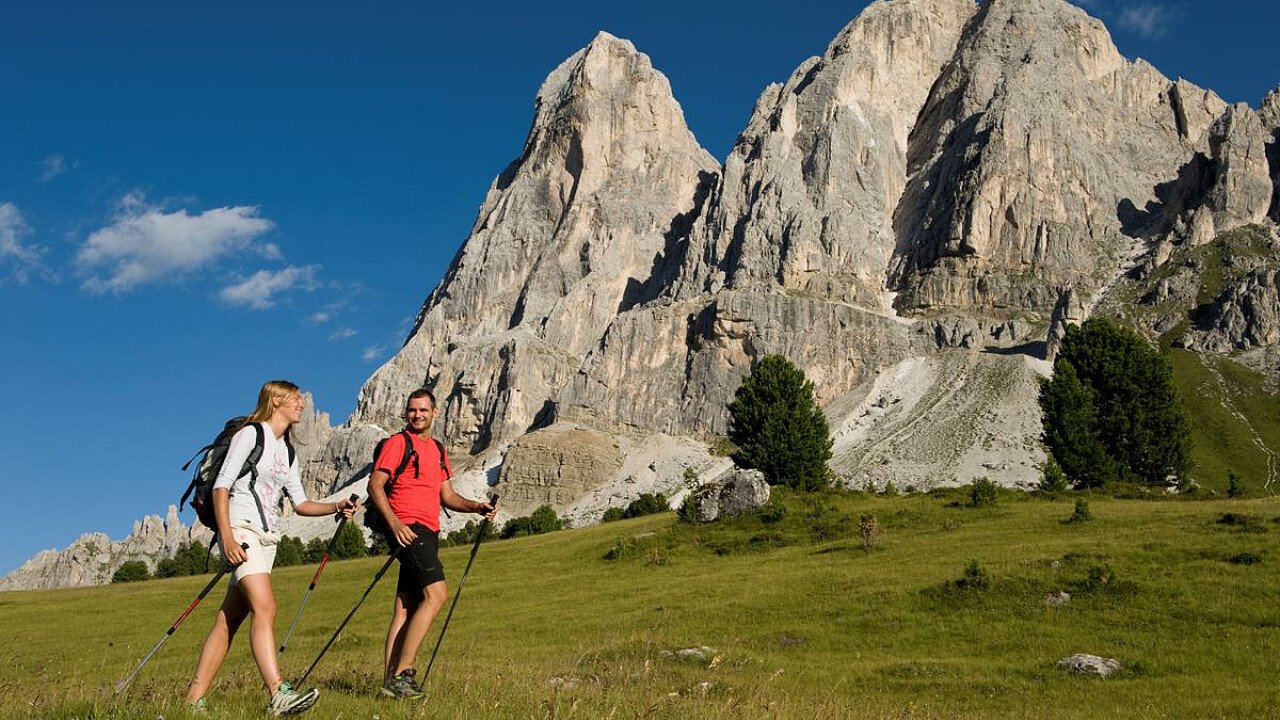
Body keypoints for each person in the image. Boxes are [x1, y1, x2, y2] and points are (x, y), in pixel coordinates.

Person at [185, 380, 359, 716]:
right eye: (295, 399)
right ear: (276, 400)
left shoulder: (287, 450)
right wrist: (228, 538)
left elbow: (301, 504)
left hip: (268, 539)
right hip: (241, 529)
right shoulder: (251, 435)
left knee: (229, 619)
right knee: (266, 609)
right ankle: (278, 691)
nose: (302, 404)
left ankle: (193, 700)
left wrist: (336, 506)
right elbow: (222, 487)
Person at [366, 387, 497, 700]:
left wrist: (477, 506)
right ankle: (402, 673)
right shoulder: (399, 443)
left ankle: (389, 683)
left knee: (406, 606)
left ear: (435, 413)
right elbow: (375, 485)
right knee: (437, 594)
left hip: (429, 530)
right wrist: (395, 523)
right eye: (412, 410)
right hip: (409, 529)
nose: (417, 415)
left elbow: (447, 496)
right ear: (406, 412)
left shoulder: (437, 450)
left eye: (423, 410)